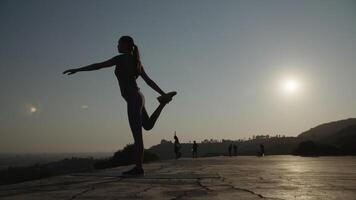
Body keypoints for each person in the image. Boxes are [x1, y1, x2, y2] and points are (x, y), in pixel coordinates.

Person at [63, 36, 177, 176]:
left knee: (137, 136)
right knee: (147, 126)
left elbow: (99, 65)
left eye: (119, 43)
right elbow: (148, 81)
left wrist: (78, 69)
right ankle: (162, 103)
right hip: (139, 97)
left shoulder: (121, 59)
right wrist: (163, 94)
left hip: (133, 100)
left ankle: (138, 168)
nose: (117, 46)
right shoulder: (137, 61)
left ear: (126, 45)